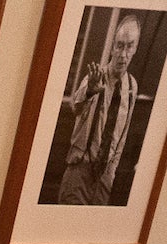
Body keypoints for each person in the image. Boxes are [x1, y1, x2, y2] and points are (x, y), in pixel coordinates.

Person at [50, 15, 144, 206]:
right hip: (80, 172)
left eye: (129, 46)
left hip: (104, 179)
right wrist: (90, 91)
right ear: (112, 47)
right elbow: (76, 107)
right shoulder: (95, 77)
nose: (123, 54)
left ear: (135, 49)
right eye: (119, 45)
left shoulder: (132, 87)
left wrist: (111, 172)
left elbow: (122, 136)